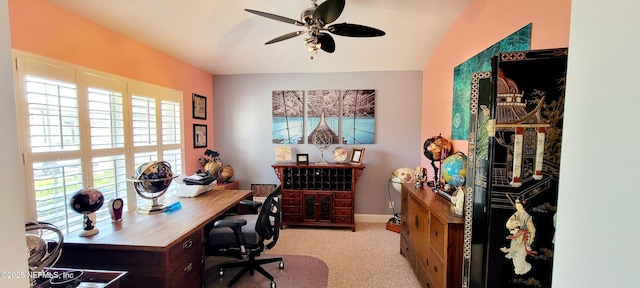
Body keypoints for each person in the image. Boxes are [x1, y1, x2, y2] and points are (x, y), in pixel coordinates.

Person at [500, 198, 536, 275]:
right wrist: (514, 223)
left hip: (524, 238)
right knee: (514, 256)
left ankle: (524, 268)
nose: (518, 208)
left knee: (520, 256)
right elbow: (508, 225)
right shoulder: (516, 214)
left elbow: (532, 230)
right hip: (517, 237)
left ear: (523, 206)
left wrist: (530, 240)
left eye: (519, 206)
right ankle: (518, 270)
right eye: (517, 206)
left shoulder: (527, 216)